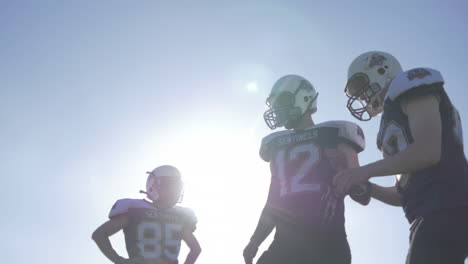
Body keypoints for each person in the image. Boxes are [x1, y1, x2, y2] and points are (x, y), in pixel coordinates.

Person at [334, 51, 468, 264]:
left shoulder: (408, 86)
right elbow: (403, 192)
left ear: (381, 70)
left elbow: (428, 152)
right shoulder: (392, 115)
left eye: (360, 85)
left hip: (447, 206)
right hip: (428, 214)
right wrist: (369, 188)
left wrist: (363, 171)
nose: (361, 96)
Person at [243, 74, 368, 264]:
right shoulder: (331, 135)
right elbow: (274, 201)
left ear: (304, 98)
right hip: (291, 244)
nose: (278, 108)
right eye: (275, 103)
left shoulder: (333, 136)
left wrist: (349, 175)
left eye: (283, 100)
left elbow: (362, 194)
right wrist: (255, 240)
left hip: (324, 244)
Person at [92, 165, 201, 264]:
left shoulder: (182, 215)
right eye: (169, 185)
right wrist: (118, 260)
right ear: (153, 185)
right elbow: (99, 234)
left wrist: (119, 261)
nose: (175, 190)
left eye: (177, 186)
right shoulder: (135, 210)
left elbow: (196, 249)